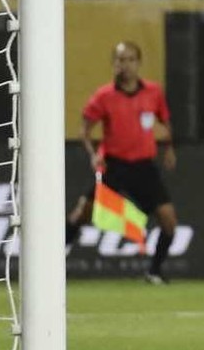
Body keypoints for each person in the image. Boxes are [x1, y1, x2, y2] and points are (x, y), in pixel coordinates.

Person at [69, 42, 180, 284]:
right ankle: (53, 263)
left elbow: (165, 120)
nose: (125, 65)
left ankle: (154, 272)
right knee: (81, 214)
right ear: (113, 64)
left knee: (169, 220)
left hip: (143, 166)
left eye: (130, 59)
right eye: (120, 60)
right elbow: (85, 130)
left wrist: (169, 147)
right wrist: (93, 154)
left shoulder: (153, 92)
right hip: (114, 165)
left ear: (138, 63)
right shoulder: (104, 96)